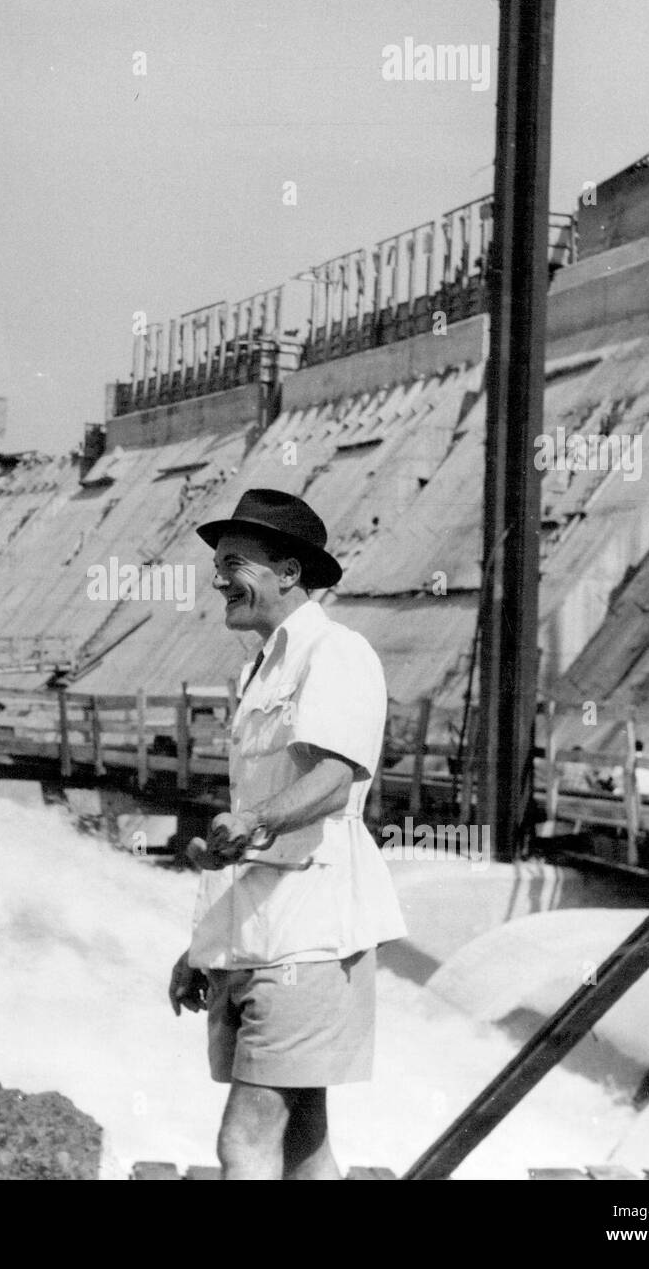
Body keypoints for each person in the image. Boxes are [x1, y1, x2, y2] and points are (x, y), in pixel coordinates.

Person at [167, 488, 407, 1180]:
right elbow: (254, 831)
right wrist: (205, 948)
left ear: (289, 572)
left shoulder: (336, 652)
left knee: (243, 1142)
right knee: (302, 1141)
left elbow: (335, 778)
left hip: (310, 938)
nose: (218, 579)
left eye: (233, 562)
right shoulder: (260, 667)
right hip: (262, 936)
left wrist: (254, 821)